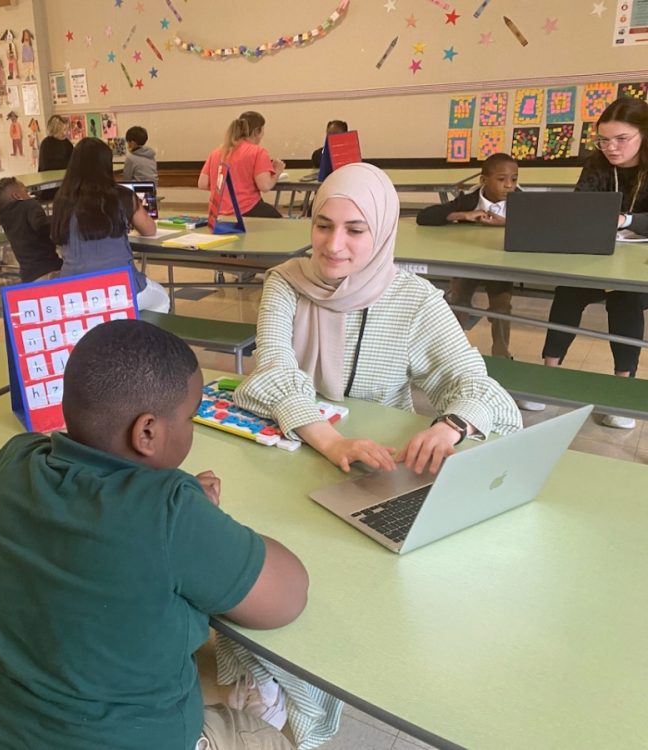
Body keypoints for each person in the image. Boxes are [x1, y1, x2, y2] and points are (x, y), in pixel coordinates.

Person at [217, 163, 521, 749]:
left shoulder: (414, 300)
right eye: (324, 225)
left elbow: (476, 384)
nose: (334, 245)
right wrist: (330, 440)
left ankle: (310, 687)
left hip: (374, 468)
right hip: (298, 448)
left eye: (356, 230)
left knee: (338, 585)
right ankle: (266, 682)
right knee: (249, 558)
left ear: (381, 232)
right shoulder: (285, 282)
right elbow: (274, 372)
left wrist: (453, 424)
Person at [0, 319, 308, 750]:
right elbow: (287, 597)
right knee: (267, 738)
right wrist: (197, 519)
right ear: (146, 432)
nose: (192, 428)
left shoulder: (13, 460)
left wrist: (181, 514)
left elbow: (94, 530)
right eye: (191, 416)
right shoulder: (170, 510)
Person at [541, 96, 648, 429]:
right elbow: (580, 207)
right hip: (598, 251)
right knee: (568, 290)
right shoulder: (597, 163)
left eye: (621, 139)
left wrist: (625, 220)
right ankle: (545, 378)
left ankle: (622, 391)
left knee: (624, 299)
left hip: (639, 262)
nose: (611, 148)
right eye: (603, 140)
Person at [416, 154, 542, 412]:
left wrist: (506, 223)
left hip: (500, 267)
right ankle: (452, 351)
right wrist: (462, 215)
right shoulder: (469, 199)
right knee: (458, 302)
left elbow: (542, 225)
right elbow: (425, 216)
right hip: (468, 263)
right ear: (484, 180)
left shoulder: (523, 201)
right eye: (502, 179)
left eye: (515, 179)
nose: (510, 185)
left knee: (501, 307)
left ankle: (502, 355)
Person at [51, 137, 170, 312]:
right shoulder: (121, 195)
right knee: (161, 299)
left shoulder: (61, 200)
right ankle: (140, 336)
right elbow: (150, 230)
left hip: (73, 290)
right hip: (120, 287)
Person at [198, 111, 285, 218]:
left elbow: (202, 183)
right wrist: (277, 172)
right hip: (245, 210)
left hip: (216, 213)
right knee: (279, 221)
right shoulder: (258, 152)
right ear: (257, 131)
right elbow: (265, 186)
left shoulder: (216, 152)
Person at [0, 176, 62, 283]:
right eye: (26, 191)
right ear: (17, 196)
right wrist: (60, 221)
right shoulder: (29, 205)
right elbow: (41, 225)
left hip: (28, 274)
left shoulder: (4, 216)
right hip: (49, 268)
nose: (29, 194)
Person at [37, 114, 73, 200]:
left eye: (66, 130)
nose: (66, 133)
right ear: (55, 130)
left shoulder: (67, 143)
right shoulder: (46, 144)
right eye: (63, 130)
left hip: (66, 181)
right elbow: (45, 167)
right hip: (51, 185)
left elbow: (73, 159)